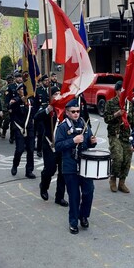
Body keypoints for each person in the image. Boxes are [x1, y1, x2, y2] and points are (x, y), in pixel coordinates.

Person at [55, 98, 98, 234]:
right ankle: (73, 222)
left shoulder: (83, 124)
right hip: (70, 165)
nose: (76, 114)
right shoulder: (63, 127)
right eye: (73, 111)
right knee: (74, 196)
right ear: (67, 112)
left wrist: (92, 141)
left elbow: (88, 143)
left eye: (78, 111)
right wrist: (72, 141)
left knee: (89, 191)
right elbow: (57, 146)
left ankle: (83, 216)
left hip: (85, 165)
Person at [35, 86, 68, 206]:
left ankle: (59, 197)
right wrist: (48, 110)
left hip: (62, 145)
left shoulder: (65, 109)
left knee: (63, 171)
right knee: (50, 169)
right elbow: (36, 117)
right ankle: (44, 186)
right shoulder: (47, 108)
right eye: (55, 94)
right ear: (51, 96)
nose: (58, 96)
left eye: (60, 93)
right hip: (49, 143)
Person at [103, 81, 134, 193]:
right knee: (118, 157)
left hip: (126, 135)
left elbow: (133, 122)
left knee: (127, 159)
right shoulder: (111, 103)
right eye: (121, 90)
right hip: (114, 134)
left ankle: (122, 182)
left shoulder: (129, 104)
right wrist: (116, 115)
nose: (124, 93)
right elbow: (106, 119)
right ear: (117, 91)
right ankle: (113, 179)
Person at [8, 72, 36, 178]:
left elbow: (34, 113)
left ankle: (29, 171)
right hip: (19, 128)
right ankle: (15, 165)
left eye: (24, 90)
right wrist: (20, 100)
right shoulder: (15, 100)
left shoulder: (30, 101)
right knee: (19, 149)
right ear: (18, 91)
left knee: (30, 150)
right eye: (21, 90)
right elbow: (10, 107)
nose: (23, 91)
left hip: (29, 128)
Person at [35, 74, 51, 158]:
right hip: (41, 113)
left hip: (50, 114)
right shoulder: (38, 91)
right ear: (42, 82)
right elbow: (36, 104)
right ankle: (39, 149)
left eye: (48, 80)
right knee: (40, 133)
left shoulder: (52, 90)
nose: (47, 82)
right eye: (45, 81)